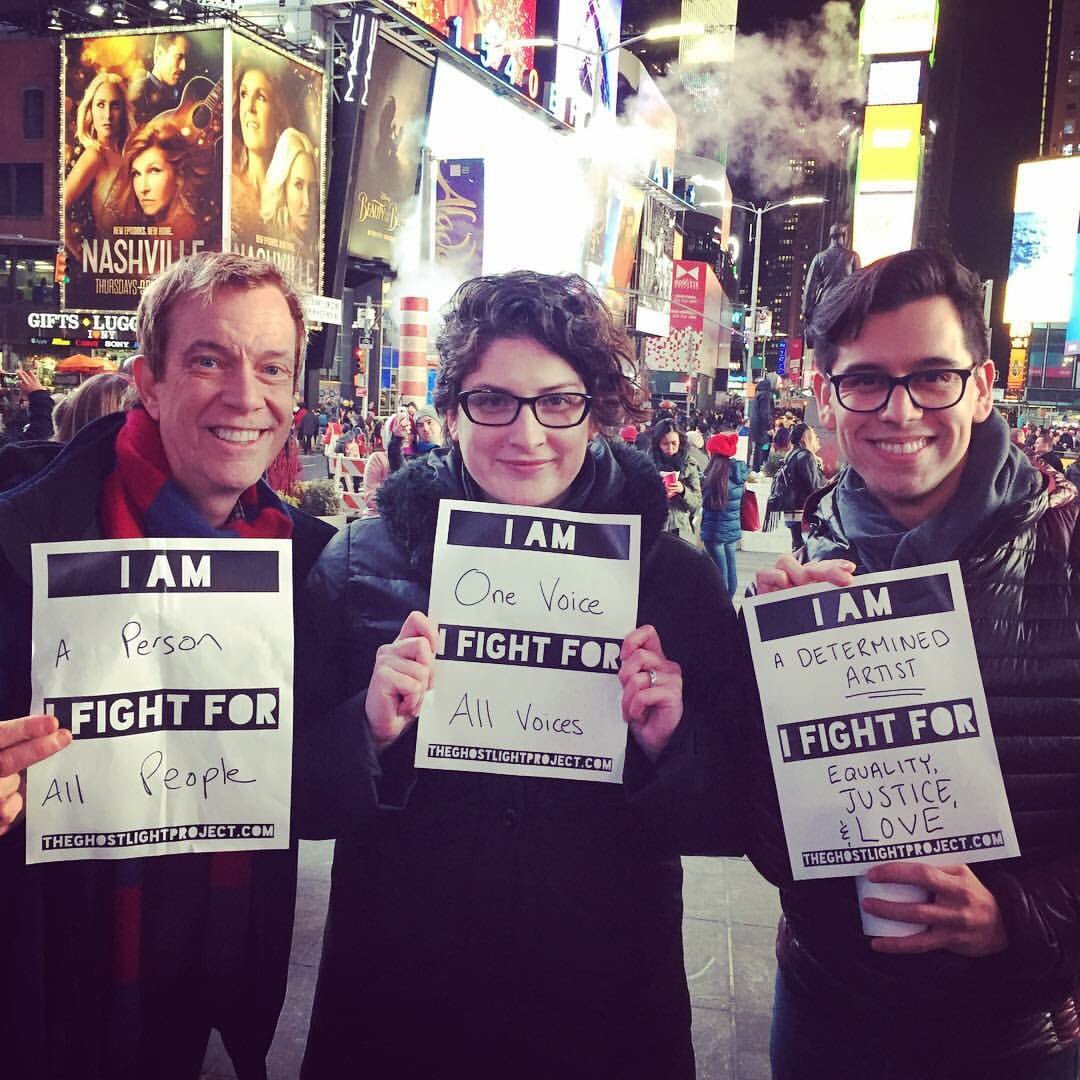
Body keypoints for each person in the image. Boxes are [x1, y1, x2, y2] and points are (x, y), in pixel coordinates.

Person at [300, 270, 742, 1080]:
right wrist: (365, 731)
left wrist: (672, 743)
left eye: (558, 402)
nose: (527, 433)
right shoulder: (362, 561)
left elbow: (730, 817)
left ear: (595, 409)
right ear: (450, 409)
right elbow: (291, 799)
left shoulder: (672, 579)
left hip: (602, 1003)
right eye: (493, 400)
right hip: (402, 997)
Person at [0, 252, 375, 1079]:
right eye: (210, 359)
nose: (246, 396)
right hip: (42, 999)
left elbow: (307, 790)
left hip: (213, 1004)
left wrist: (371, 724)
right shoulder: (17, 541)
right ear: (150, 382)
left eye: (271, 367)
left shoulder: (310, 567)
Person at [749, 248, 1080, 1079]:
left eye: (932, 376)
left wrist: (1016, 918)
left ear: (982, 382)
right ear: (827, 395)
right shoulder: (818, 548)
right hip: (825, 1009)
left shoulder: (1070, 547)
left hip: (1023, 1031)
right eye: (867, 380)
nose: (900, 411)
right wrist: (756, 686)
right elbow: (770, 838)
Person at [64, 71, 135, 237]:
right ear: (90, 111)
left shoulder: (131, 155)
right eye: (100, 105)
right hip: (105, 256)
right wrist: (75, 249)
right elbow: (59, 208)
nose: (108, 115)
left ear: (124, 111)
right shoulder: (94, 155)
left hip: (133, 254)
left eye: (115, 105)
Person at [119, 120, 209, 240]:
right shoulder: (163, 229)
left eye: (154, 171)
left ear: (179, 175)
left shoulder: (176, 234)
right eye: (136, 174)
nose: (143, 188)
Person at [231, 62, 284, 238]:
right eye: (244, 95)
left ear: (278, 112)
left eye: (261, 97)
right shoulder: (228, 190)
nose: (249, 108)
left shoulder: (291, 199)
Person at [699, 429, 749, 598]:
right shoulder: (738, 474)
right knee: (731, 574)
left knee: (719, 578)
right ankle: (727, 605)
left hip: (715, 533)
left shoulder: (714, 477)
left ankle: (721, 611)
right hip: (732, 531)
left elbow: (706, 502)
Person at [260, 127, 318, 256]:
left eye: (312, 187)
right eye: (298, 185)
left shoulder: (314, 246)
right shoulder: (263, 235)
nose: (307, 202)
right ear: (282, 185)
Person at [801, 222, 860, 349]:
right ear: (844, 236)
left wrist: (807, 313)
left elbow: (810, 288)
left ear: (830, 237)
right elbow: (858, 285)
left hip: (825, 308)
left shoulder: (819, 258)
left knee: (826, 347)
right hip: (846, 308)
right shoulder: (853, 256)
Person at [649, 418, 702, 542]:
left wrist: (683, 490)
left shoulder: (689, 464)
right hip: (654, 528)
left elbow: (697, 503)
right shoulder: (647, 464)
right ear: (658, 444)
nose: (670, 448)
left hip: (681, 530)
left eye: (674, 443)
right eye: (665, 444)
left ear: (680, 442)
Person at [778, 421, 824, 551]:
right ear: (806, 437)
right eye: (813, 435)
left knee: (797, 544)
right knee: (807, 547)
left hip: (791, 507)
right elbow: (812, 486)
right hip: (803, 508)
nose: (815, 438)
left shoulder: (791, 455)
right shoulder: (806, 456)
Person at [129, 32, 189, 124]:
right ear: (159, 53)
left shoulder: (182, 94)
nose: (183, 67)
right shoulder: (138, 95)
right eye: (179, 57)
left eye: (185, 58)